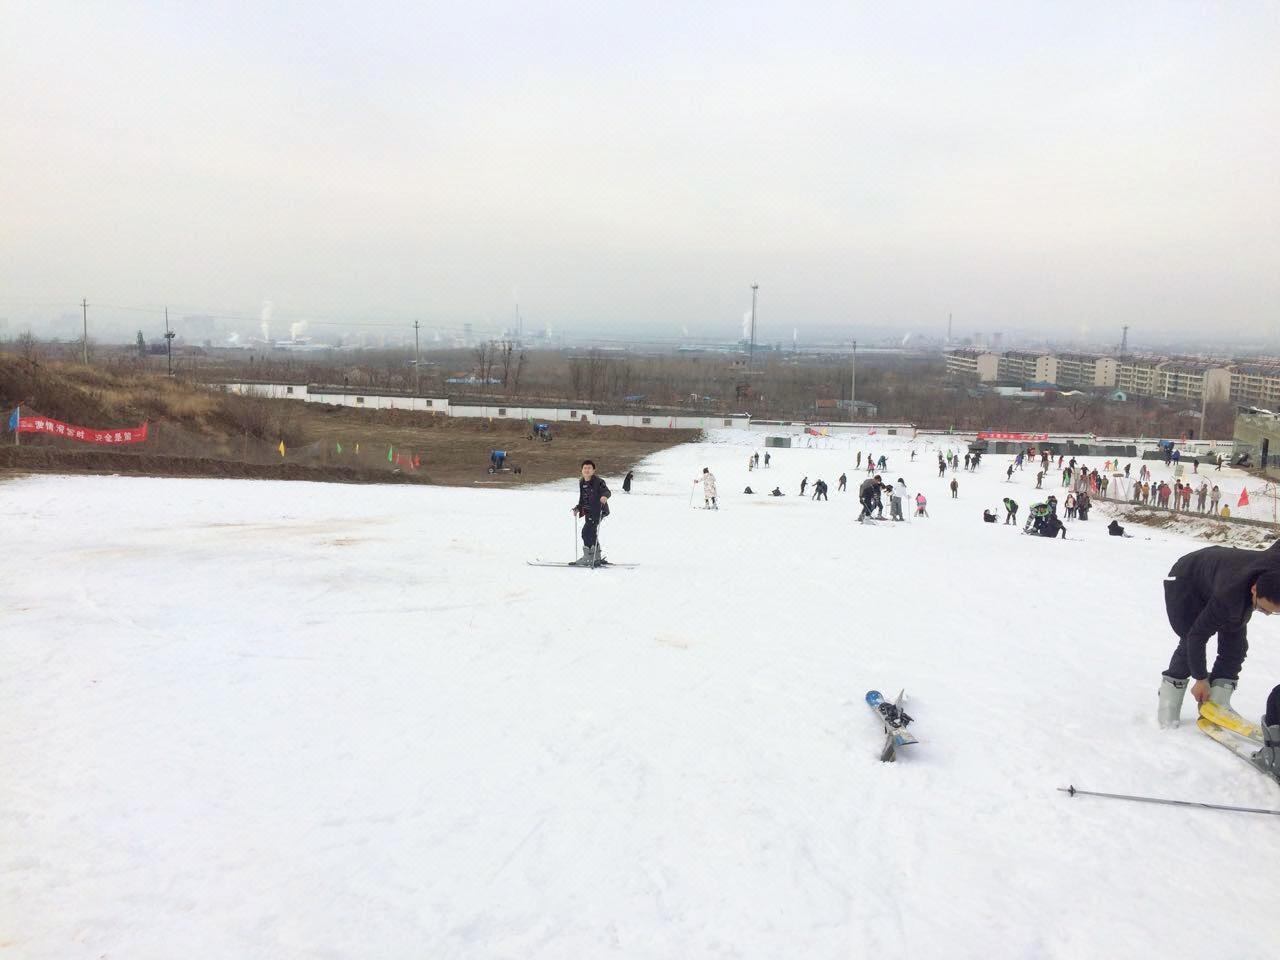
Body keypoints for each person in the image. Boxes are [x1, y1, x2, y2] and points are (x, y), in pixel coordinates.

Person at [1156, 541, 1280, 728]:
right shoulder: (1229, 596)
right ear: (1254, 589)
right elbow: (1197, 637)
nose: (1268, 614)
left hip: (1225, 572)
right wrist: (1200, 679)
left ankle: (1217, 703)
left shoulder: (1274, 566)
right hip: (1187, 579)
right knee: (1188, 638)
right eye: (1262, 609)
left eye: (1274, 612)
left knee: (1236, 647)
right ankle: (1168, 706)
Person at [570, 459, 611, 566]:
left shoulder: (599, 481)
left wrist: (604, 496)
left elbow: (607, 491)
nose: (587, 470)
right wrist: (578, 508)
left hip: (599, 510)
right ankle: (595, 557)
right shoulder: (582, 482)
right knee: (591, 532)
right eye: (585, 468)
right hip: (588, 511)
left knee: (586, 532)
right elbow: (583, 499)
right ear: (582, 470)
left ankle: (588, 557)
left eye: (589, 468)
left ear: (593, 470)